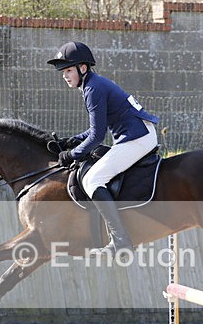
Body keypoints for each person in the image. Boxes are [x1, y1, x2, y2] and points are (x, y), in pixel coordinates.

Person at [47, 41, 160, 256]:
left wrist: (72, 155)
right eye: (62, 71)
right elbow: (95, 130)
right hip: (136, 133)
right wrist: (69, 142)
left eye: (68, 70)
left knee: (93, 180)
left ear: (83, 68)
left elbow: (97, 136)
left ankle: (121, 241)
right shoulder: (93, 84)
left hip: (138, 138)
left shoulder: (92, 88)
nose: (64, 75)